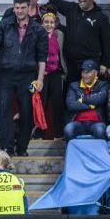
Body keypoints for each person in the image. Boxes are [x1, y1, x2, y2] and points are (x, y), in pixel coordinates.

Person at [0, 0, 48, 156]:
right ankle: (7, 148)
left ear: (28, 8)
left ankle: (22, 148)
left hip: (28, 75)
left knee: (27, 113)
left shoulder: (38, 29)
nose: (19, 11)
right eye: (16, 7)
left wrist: (40, 79)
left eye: (22, 7)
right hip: (6, 74)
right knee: (4, 112)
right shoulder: (4, 25)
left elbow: (42, 56)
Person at [48, 0, 110, 84]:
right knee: (71, 94)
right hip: (71, 64)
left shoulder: (101, 17)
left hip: (91, 63)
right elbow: (54, 1)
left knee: (89, 95)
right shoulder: (72, 8)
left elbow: (107, 42)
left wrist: (109, 65)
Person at [38, 12, 67, 140]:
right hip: (42, 74)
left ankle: (58, 134)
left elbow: (63, 53)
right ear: (42, 23)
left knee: (57, 104)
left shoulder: (59, 35)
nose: (49, 25)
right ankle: (39, 133)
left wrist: (64, 71)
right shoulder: (37, 35)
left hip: (55, 73)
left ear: (55, 24)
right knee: (41, 104)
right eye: (46, 22)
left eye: (51, 22)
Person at [63, 60, 109, 141]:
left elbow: (100, 99)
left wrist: (83, 99)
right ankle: (72, 153)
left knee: (100, 130)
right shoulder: (73, 86)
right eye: (83, 72)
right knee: (68, 129)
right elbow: (71, 104)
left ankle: (99, 153)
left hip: (96, 122)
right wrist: (91, 106)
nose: (85, 75)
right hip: (78, 123)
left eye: (88, 72)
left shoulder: (103, 85)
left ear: (95, 73)